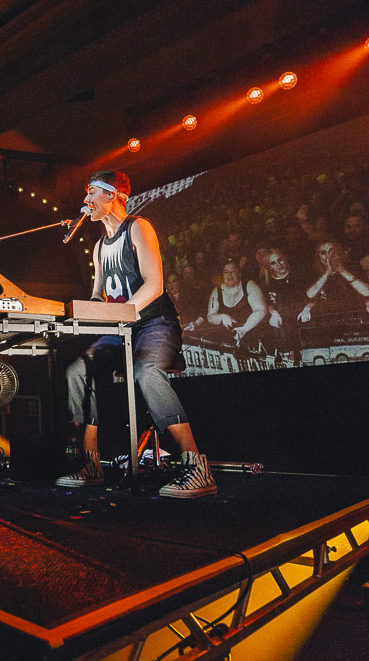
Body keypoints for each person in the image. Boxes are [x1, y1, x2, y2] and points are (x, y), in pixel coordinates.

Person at [59, 170, 216, 498]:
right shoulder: (100, 247)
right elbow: (97, 297)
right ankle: (90, 464)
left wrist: (120, 316)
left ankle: (196, 465)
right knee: (79, 370)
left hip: (156, 325)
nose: (85, 201)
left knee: (145, 370)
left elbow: (154, 285)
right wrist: (70, 315)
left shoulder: (139, 227)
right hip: (122, 328)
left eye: (92, 193)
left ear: (112, 195)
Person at [304, 241, 369, 322]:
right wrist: (327, 273)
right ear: (319, 257)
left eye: (331, 251)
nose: (328, 256)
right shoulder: (315, 273)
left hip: (353, 317)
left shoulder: (353, 268)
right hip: (327, 319)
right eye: (323, 253)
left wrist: (342, 271)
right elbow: (310, 294)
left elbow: (366, 292)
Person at [206, 260, 266, 348]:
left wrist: (244, 329)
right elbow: (210, 316)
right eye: (226, 272)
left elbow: (261, 310)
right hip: (227, 341)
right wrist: (222, 317)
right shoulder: (216, 291)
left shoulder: (249, 285)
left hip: (251, 336)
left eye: (233, 271)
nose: (229, 274)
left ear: (239, 273)